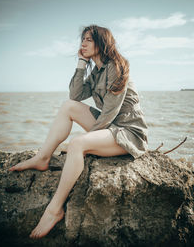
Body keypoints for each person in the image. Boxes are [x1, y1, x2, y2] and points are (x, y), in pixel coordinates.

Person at [9, 25, 148, 239]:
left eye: (88, 40)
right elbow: (75, 96)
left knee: (77, 144)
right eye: (82, 39)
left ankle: (55, 209)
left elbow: (110, 113)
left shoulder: (116, 67)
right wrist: (82, 64)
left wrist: (85, 140)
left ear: (102, 43)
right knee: (67, 106)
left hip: (127, 133)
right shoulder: (96, 72)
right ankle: (42, 157)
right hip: (110, 127)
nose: (82, 44)